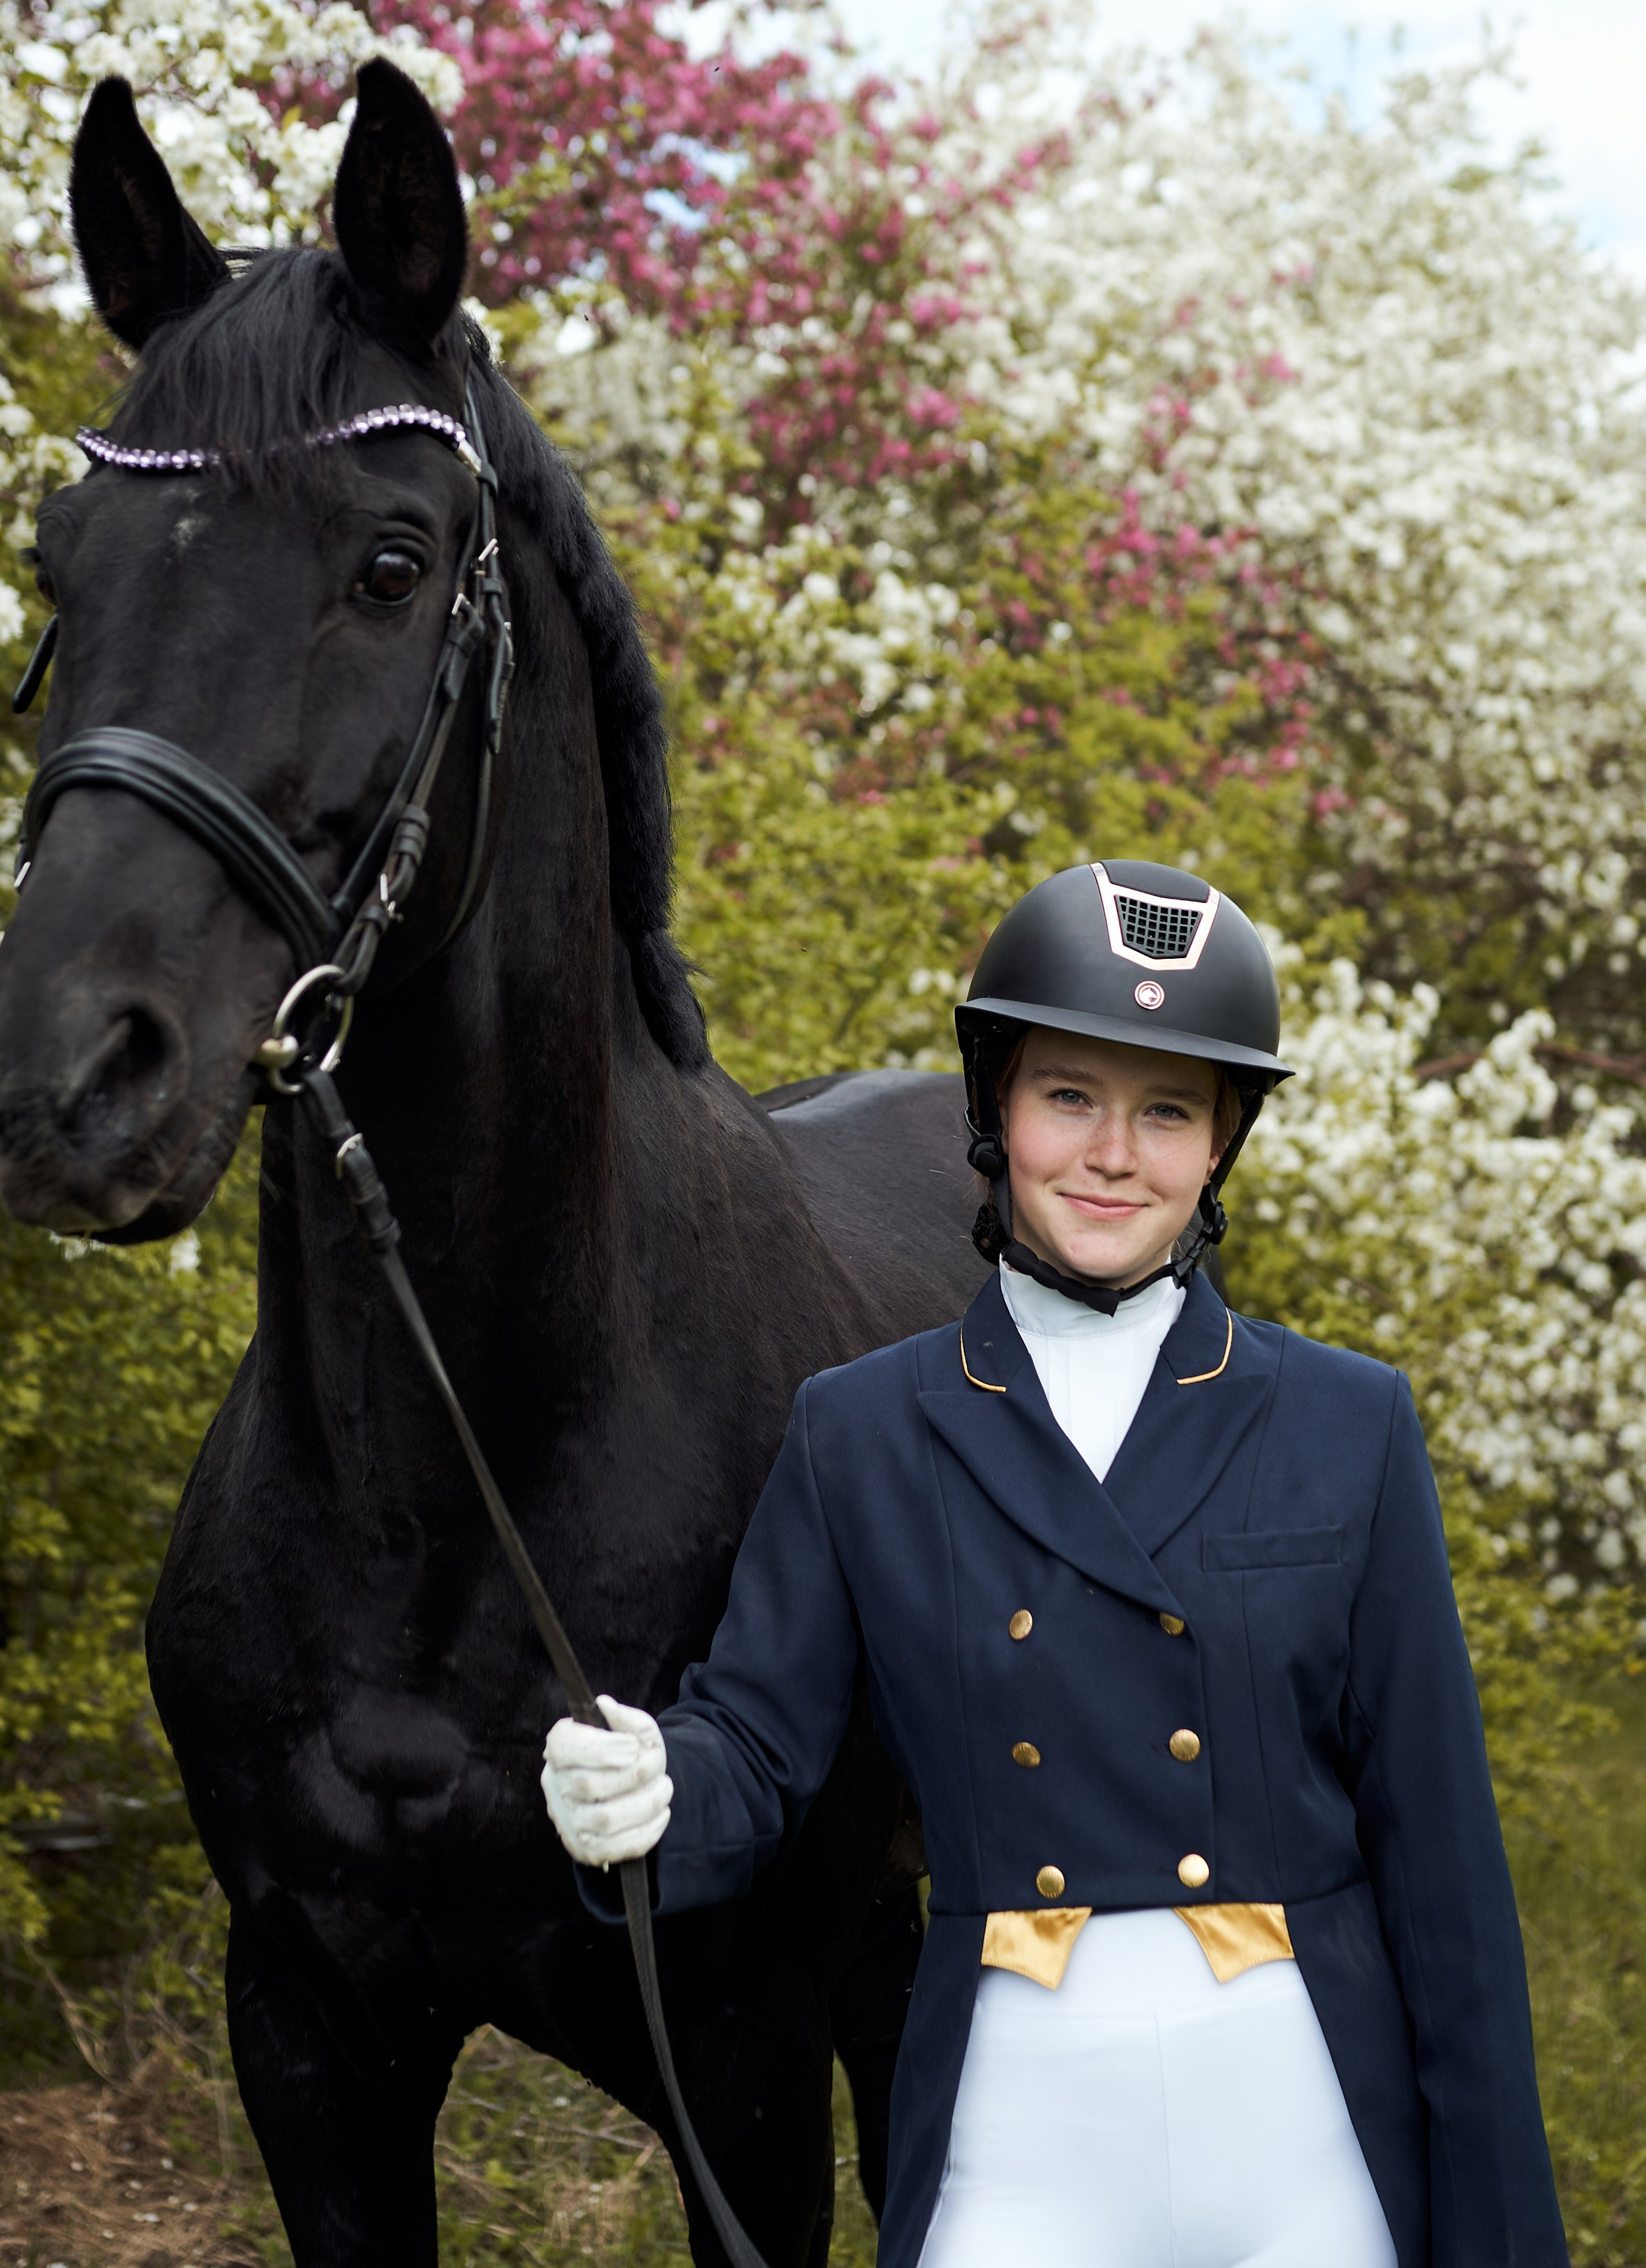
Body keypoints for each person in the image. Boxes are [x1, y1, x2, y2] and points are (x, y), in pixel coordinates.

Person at [542, 860, 1568, 2268]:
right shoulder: (859, 1430)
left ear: (1216, 1147)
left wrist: (1501, 2237)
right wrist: (655, 1791)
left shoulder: (1349, 1425)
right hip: (1017, 2129)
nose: (1110, 1154)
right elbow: (759, 1749)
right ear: (995, 1113)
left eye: (1165, 1112)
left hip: (1298, 2122)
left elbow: (1447, 1884)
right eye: (1067, 1097)